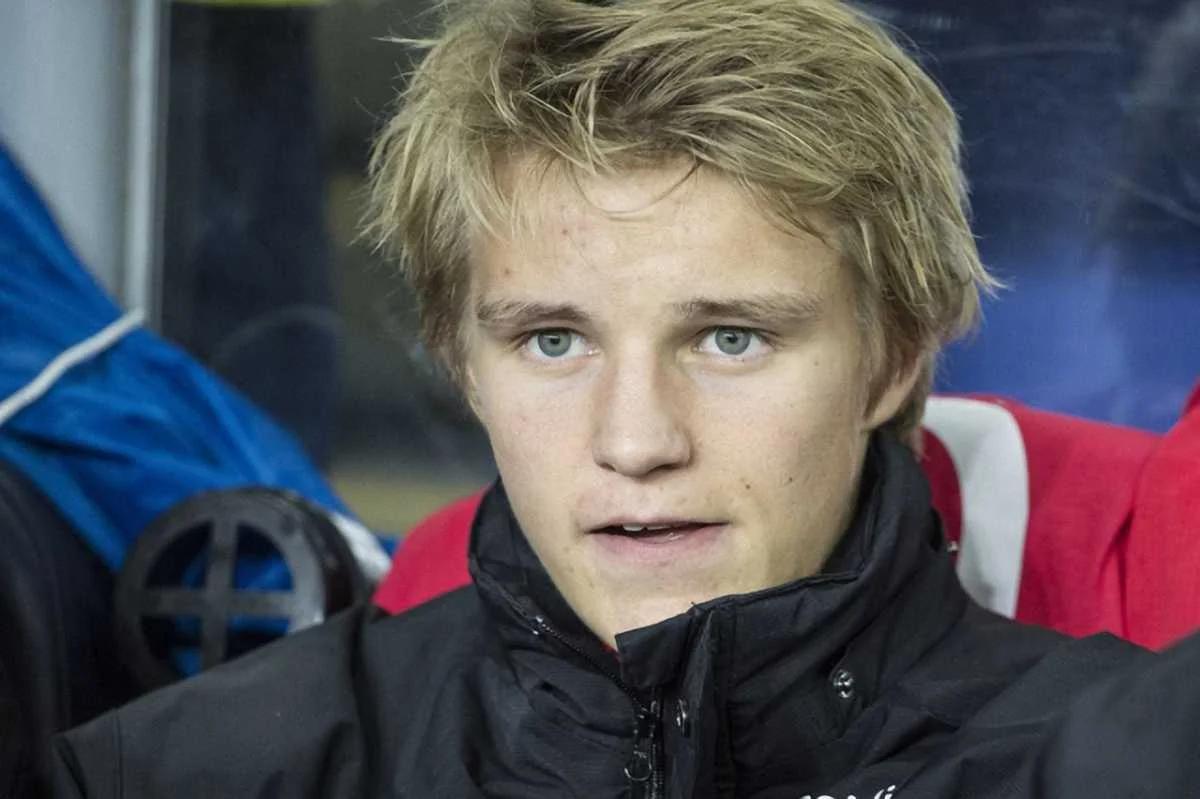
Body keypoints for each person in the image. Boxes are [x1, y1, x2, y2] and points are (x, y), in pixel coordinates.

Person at [49, 1, 1197, 796]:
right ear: (462, 362)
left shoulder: (1113, 763)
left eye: (732, 338)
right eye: (553, 341)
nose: (635, 440)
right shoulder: (176, 774)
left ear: (893, 360)